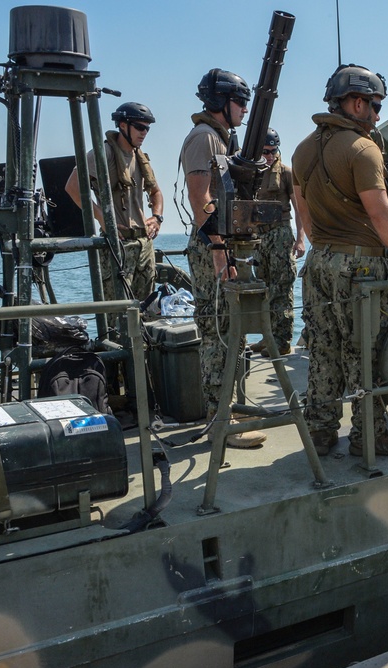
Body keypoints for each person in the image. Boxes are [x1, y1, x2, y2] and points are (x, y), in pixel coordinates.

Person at [292, 63, 388, 457]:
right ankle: (369, 436)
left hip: (318, 263)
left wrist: (322, 243)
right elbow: (381, 212)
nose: (377, 115)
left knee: (323, 347)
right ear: (355, 103)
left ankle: (319, 431)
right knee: (367, 351)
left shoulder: (303, 149)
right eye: (374, 105)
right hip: (359, 267)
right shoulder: (363, 148)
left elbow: (300, 208)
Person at [180, 68, 267, 449]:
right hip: (212, 246)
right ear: (221, 103)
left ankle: (228, 413)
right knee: (217, 332)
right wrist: (219, 249)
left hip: (221, 244)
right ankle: (221, 423)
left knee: (229, 329)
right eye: (240, 102)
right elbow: (201, 200)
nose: (245, 110)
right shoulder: (204, 139)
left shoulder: (219, 139)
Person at [65, 101, 164, 304]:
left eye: (147, 128)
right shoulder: (103, 154)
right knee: (117, 310)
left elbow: (156, 192)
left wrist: (157, 217)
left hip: (143, 243)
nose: (144, 132)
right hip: (118, 243)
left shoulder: (140, 158)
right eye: (140, 127)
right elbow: (73, 187)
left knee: (145, 309)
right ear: (122, 125)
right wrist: (102, 217)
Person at [248, 128, 307, 357]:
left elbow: (299, 207)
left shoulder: (285, 173)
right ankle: (267, 337)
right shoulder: (252, 172)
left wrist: (300, 239)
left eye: (273, 151)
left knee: (282, 288)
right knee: (263, 289)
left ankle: (281, 341)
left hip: (280, 234)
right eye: (265, 151)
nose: (270, 156)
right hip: (259, 237)